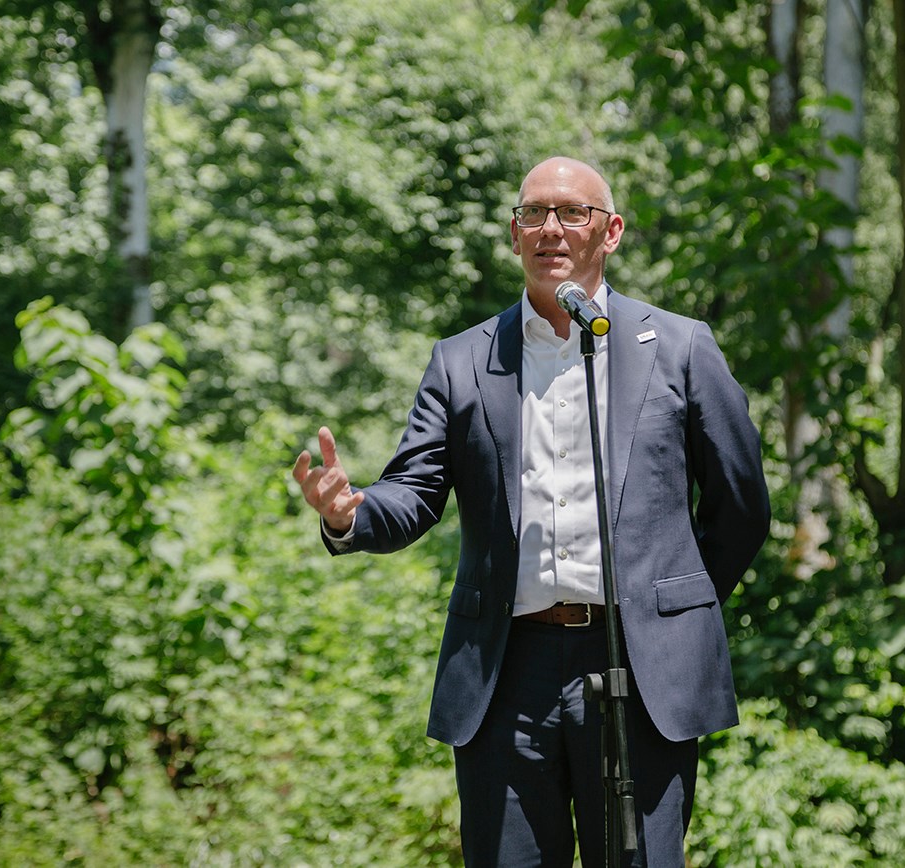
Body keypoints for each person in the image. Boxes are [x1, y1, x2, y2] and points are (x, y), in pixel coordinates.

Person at [292, 156, 770, 867]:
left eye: (572, 212)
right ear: (513, 234)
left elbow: (741, 506)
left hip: (639, 672)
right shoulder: (461, 361)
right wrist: (349, 514)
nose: (551, 228)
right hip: (507, 677)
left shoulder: (679, 347)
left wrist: (667, 610)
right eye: (533, 213)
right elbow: (413, 492)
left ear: (610, 232)